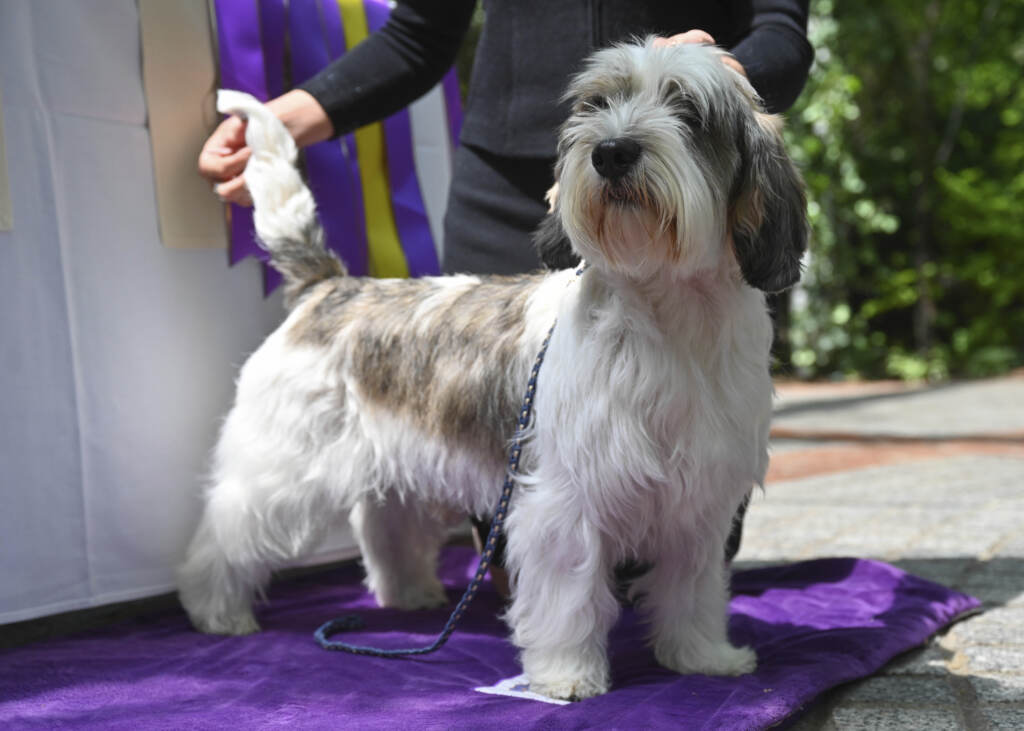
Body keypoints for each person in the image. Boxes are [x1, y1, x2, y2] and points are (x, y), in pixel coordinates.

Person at [199, 0, 813, 566]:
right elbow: (419, 34)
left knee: (682, 540)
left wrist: (720, 79)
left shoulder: (745, 154)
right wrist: (280, 125)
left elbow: (782, 29)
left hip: (702, 172)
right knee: (545, 541)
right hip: (515, 177)